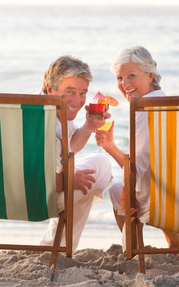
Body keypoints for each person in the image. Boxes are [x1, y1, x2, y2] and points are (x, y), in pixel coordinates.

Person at [95, 46, 179, 249]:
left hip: (162, 201)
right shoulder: (170, 104)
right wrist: (109, 146)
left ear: (150, 76)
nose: (124, 84)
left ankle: (134, 247)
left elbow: (139, 168)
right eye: (119, 78)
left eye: (131, 75)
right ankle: (174, 242)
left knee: (118, 190)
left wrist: (127, 189)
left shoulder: (144, 110)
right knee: (160, 180)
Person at [39, 55, 113, 252]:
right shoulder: (46, 122)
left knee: (92, 173)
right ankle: (58, 246)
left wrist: (88, 126)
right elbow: (53, 183)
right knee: (101, 167)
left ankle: (54, 245)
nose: (78, 101)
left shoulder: (41, 108)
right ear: (50, 88)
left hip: (3, 197)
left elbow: (69, 146)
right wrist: (71, 181)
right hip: (37, 199)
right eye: (70, 92)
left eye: (82, 93)